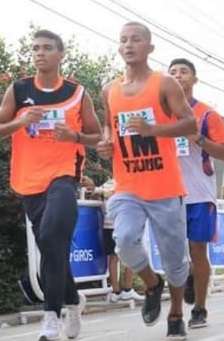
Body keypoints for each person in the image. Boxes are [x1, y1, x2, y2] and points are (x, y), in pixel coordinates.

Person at [96, 22, 197, 340]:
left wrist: (153, 130)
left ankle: (177, 313)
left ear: (149, 47)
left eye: (136, 39)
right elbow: (109, 130)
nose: (128, 45)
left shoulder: (164, 84)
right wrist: (104, 143)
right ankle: (153, 284)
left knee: (174, 259)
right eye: (123, 40)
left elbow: (189, 124)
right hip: (127, 186)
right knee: (124, 240)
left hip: (165, 188)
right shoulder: (108, 90)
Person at [0, 29, 102, 341]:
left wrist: (74, 137)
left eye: (46, 48)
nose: (39, 53)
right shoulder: (18, 90)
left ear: (60, 54)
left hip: (63, 176)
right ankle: (73, 302)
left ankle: (50, 317)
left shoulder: (76, 92)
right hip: (29, 181)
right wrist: (21, 122)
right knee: (52, 248)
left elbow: (97, 136)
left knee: (50, 236)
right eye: (35, 48)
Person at [168, 58, 224, 328]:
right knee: (174, 253)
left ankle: (200, 308)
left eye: (184, 72)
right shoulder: (160, 114)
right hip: (168, 192)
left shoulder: (207, 114)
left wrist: (199, 139)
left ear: (194, 79)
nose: (178, 76)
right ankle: (181, 299)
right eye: (172, 73)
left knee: (197, 250)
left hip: (199, 193)